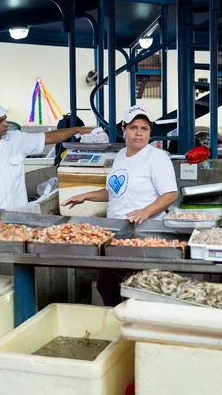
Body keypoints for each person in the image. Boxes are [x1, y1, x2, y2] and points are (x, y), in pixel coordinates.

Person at [61, 105, 178, 306]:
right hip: (117, 232)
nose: (139, 133)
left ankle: (137, 327)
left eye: (144, 128)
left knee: (140, 287)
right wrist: (85, 196)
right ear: (124, 129)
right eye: (133, 127)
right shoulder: (122, 155)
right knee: (106, 285)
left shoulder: (157, 157)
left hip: (143, 233)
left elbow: (170, 194)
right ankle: (121, 325)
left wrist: (146, 211)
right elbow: (115, 192)